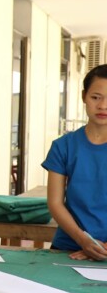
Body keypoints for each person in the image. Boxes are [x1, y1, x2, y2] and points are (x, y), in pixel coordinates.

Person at [42, 63, 107, 261]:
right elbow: (55, 203)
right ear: (83, 96)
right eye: (95, 97)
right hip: (68, 247)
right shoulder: (63, 146)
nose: (103, 106)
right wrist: (83, 240)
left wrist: (102, 247)